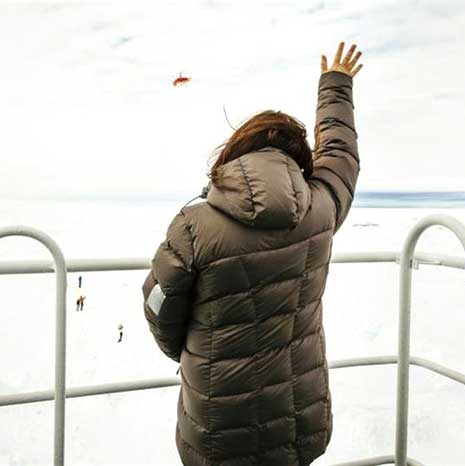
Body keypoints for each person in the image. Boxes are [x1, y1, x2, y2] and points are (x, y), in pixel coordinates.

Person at [141, 42, 362, 466]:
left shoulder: (193, 226)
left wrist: (194, 355)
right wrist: (335, 86)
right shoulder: (321, 210)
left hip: (217, 427)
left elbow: (158, 306)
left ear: (234, 151)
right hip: (299, 419)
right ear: (300, 160)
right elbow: (341, 156)